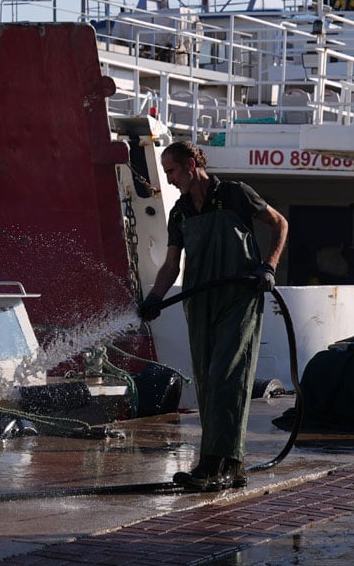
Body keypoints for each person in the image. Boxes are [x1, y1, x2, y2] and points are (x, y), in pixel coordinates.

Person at [138, 140, 288, 492]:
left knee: (227, 376)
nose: (170, 179)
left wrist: (269, 267)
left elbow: (280, 223)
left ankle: (211, 465)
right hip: (200, 303)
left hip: (239, 298)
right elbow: (172, 265)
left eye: (172, 171)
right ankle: (232, 466)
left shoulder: (235, 194)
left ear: (191, 164)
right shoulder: (180, 213)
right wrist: (155, 297)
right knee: (207, 381)